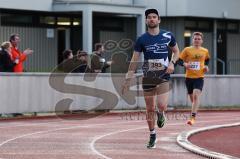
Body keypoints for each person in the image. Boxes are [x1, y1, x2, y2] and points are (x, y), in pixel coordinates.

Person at [122, 9, 180, 149]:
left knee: (161, 105)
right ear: (146, 21)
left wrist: (172, 63)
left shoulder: (168, 35)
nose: (152, 19)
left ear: (159, 20)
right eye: (149, 17)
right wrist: (128, 78)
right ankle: (152, 134)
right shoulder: (142, 39)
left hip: (163, 75)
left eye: (154, 17)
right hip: (148, 76)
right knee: (149, 108)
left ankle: (161, 114)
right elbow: (134, 59)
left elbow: (177, 51)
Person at [177, 32, 210, 126]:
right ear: (193, 40)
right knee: (192, 99)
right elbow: (179, 60)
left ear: (202, 41)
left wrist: (206, 67)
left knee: (196, 96)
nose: (197, 40)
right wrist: (185, 64)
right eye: (195, 38)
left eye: (199, 39)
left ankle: (192, 118)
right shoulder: (187, 50)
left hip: (199, 77)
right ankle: (195, 108)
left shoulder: (205, 51)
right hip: (188, 78)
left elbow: (207, 59)